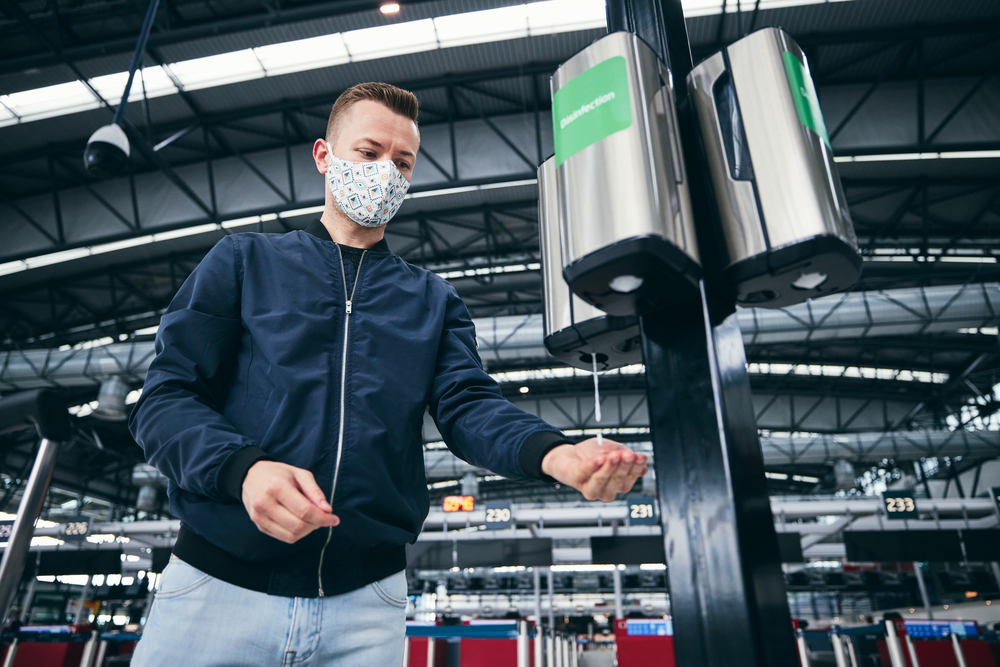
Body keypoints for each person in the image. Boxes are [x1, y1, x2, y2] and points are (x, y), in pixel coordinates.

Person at [129, 82, 647, 666]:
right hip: (216, 589)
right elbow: (165, 400)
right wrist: (241, 470)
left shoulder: (432, 300)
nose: (386, 173)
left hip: (365, 608)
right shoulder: (244, 262)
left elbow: (467, 406)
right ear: (325, 156)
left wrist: (554, 454)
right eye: (369, 154)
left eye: (402, 162)